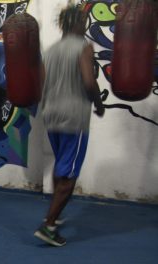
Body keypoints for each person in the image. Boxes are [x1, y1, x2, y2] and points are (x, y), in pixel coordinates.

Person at [34, 4, 105, 247]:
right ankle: (48, 226)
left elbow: (41, 84)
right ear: (76, 23)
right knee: (70, 174)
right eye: (83, 21)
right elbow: (88, 80)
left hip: (51, 115)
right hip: (73, 117)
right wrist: (99, 103)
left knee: (61, 163)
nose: (85, 24)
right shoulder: (84, 47)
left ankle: (57, 213)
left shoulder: (50, 51)